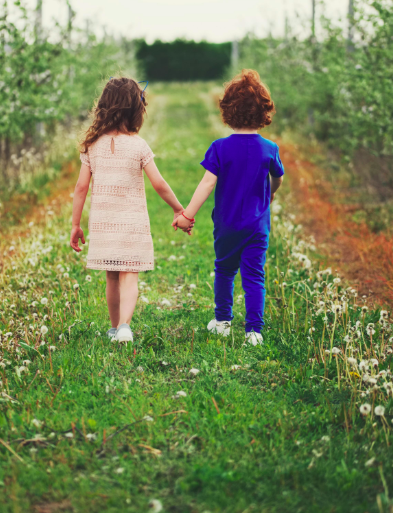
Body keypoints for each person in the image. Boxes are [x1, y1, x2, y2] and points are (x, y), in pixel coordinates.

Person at [70, 77, 185, 344]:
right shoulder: (138, 145)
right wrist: (179, 209)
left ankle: (114, 328)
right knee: (129, 275)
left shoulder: (92, 146)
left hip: (103, 223)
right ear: (135, 109)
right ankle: (124, 326)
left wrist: (76, 224)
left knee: (111, 277)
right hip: (132, 223)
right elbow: (159, 183)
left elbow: (80, 188)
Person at [174, 69, 284, 346]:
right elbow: (278, 177)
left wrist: (187, 214)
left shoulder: (220, 148)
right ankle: (253, 331)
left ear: (228, 111)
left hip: (227, 224)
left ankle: (223, 321)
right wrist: (269, 195)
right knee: (254, 275)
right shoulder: (269, 149)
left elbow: (207, 184)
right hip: (257, 225)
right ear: (264, 112)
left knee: (224, 270)